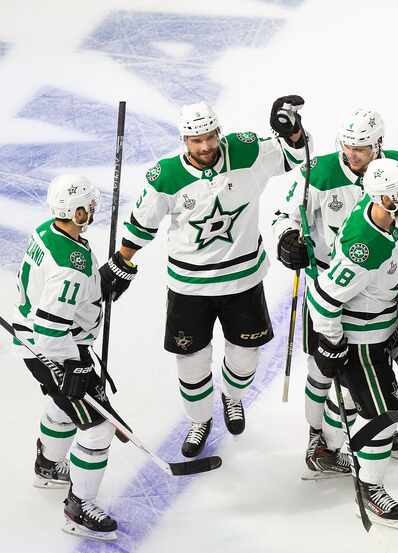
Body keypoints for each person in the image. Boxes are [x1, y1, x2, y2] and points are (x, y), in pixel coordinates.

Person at [100, 98, 309, 457]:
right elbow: (142, 224)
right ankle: (199, 420)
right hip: (189, 288)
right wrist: (122, 261)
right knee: (191, 361)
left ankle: (232, 397)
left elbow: (294, 156)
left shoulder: (246, 152)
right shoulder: (166, 175)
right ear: (185, 140)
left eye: (210, 137)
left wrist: (292, 130)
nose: (205, 146)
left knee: (245, 358)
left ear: (218, 132)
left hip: (242, 280)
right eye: (196, 140)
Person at [271, 108, 398, 478]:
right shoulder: (317, 173)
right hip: (331, 289)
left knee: (364, 375)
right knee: (323, 371)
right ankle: (319, 437)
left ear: (379, 145)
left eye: (362, 148)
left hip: (385, 293)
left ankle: (360, 429)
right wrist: (286, 239)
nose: (353, 154)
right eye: (348, 146)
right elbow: (282, 215)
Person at [305, 157, 398, 526]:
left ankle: (329, 448)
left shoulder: (386, 216)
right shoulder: (364, 248)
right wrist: (333, 343)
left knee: (358, 403)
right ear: (386, 199)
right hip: (362, 342)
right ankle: (369, 486)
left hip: (382, 330)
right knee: (384, 417)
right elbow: (324, 298)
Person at [14, 175, 119, 540]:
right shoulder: (70, 266)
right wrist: (75, 366)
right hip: (53, 349)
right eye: (88, 205)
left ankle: (47, 466)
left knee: (63, 407)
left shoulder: (50, 232)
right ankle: (79, 507)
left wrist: (101, 284)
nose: (92, 209)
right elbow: (50, 327)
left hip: (38, 342)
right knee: (98, 426)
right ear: (74, 211)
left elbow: (68, 295)